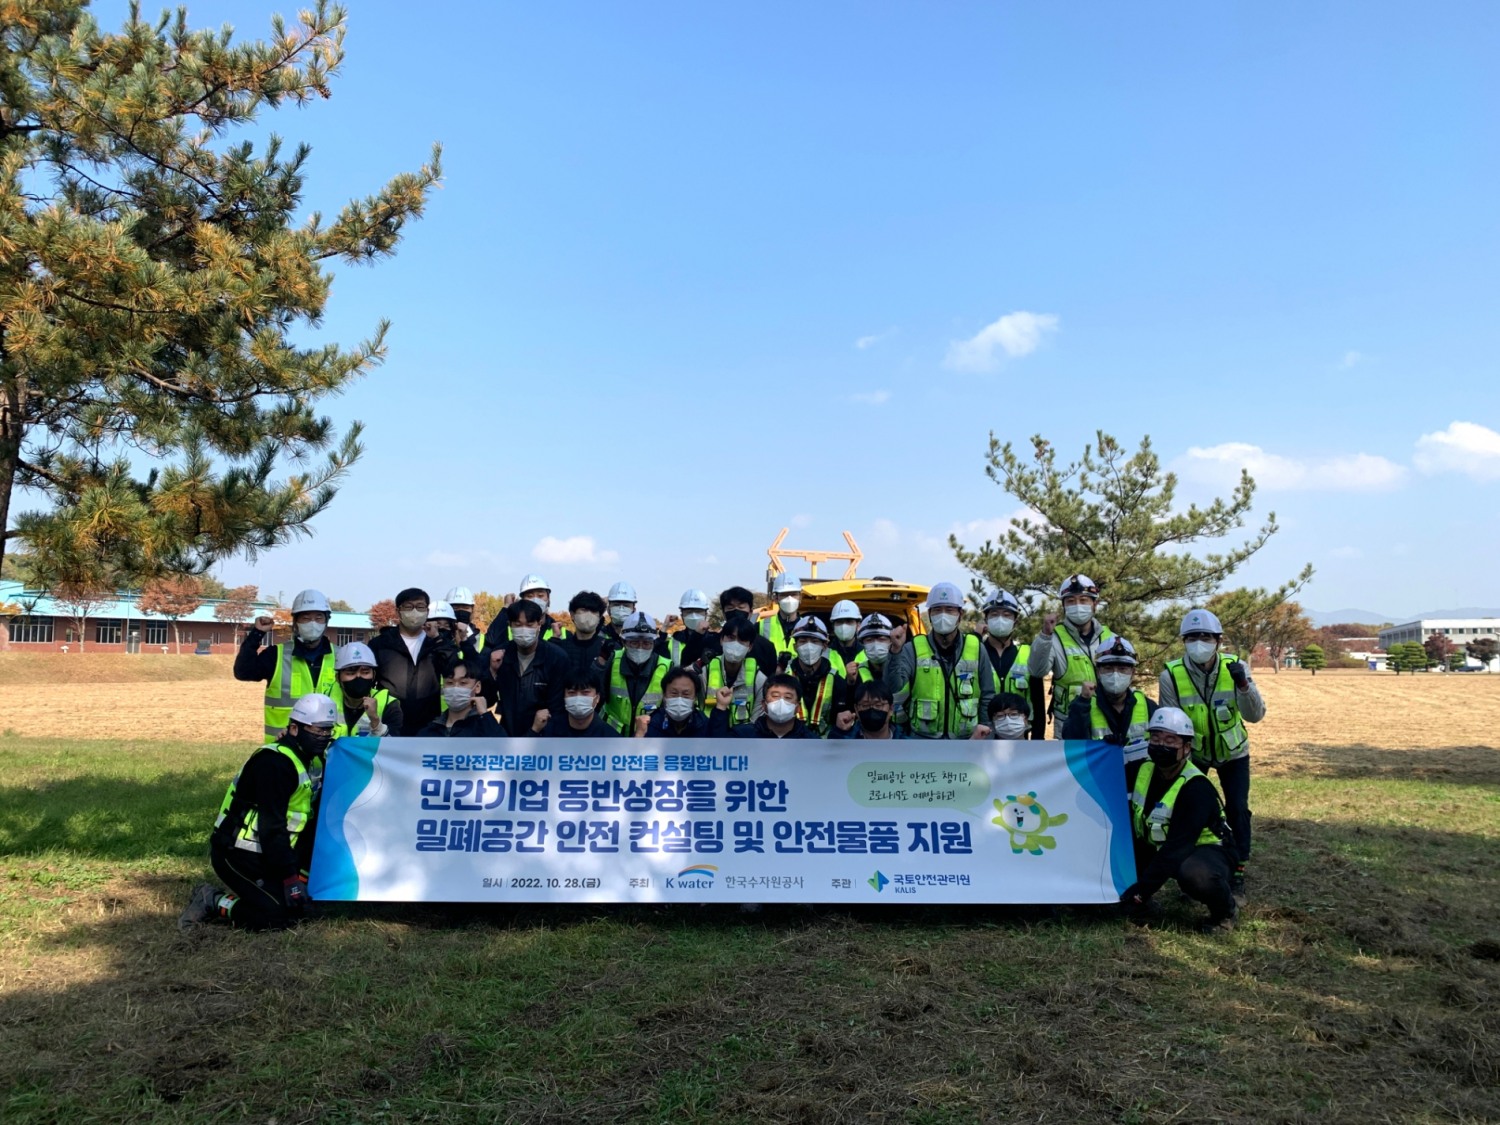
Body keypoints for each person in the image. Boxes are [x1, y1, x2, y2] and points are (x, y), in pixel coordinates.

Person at [178, 693, 336, 932]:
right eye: (317, 730)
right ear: (294, 729)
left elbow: (305, 823)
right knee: (276, 918)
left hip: (269, 853)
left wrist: (297, 876)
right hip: (236, 853)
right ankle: (211, 899)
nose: (323, 737)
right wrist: (290, 880)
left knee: (299, 911)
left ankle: (274, 890)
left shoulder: (313, 761)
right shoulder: (274, 764)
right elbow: (272, 827)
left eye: (328, 731)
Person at [1158, 607, 1265, 905]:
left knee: (1238, 810)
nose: (1198, 643)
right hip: (1196, 755)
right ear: (1183, 641)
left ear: (1218, 640)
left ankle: (1238, 871)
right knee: (1191, 812)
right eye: (1191, 637)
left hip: (1234, 753)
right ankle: (1190, 872)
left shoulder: (1236, 667)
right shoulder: (1171, 675)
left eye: (1205, 636)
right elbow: (1171, 720)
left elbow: (1255, 715)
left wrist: (1243, 686)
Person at [1119, 707, 1238, 934]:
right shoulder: (1142, 769)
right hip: (1157, 843)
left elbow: (1176, 849)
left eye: (1170, 740)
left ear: (1186, 747)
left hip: (1206, 850)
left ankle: (1226, 911)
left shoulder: (1196, 789)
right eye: (1155, 738)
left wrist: (1140, 893)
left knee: (1194, 874)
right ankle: (1143, 905)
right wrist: (1107, 747)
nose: (1161, 745)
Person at [890, 582, 993, 739]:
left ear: (961, 614)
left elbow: (987, 695)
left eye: (949, 609)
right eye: (937, 610)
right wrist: (895, 651)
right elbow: (894, 687)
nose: (943, 614)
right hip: (922, 742)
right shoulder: (913, 648)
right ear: (930, 613)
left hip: (966, 741)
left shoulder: (976, 648)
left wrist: (985, 731)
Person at [234, 588, 336, 740]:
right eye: (306, 618)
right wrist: (257, 634)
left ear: (326, 621)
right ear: (295, 622)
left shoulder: (341, 657)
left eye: (319, 618)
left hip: (330, 750)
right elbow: (243, 672)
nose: (313, 624)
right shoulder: (276, 655)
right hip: (284, 751)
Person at [1028, 574, 1115, 737]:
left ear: (1094, 604)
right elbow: (1037, 671)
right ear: (1064, 606)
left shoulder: (1109, 637)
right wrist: (1045, 634)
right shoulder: (1053, 637)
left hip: (1104, 725)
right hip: (1068, 727)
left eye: (1083, 600)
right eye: (1071, 601)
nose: (1077, 605)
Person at [368, 587, 457, 735]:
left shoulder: (436, 643)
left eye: (420, 607)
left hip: (429, 724)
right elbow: (369, 681)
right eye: (408, 607)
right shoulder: (380, 644)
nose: (415, 611)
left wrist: (438, 640)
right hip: (391, 722)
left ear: (427, 612)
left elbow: (453, 669)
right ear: (398, 612)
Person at [1061, 636, 1157, 763]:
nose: (1115, 674)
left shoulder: (1147, 705)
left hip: (1139, 779)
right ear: (1098, 672)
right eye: (1108, 668)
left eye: (1122, 669)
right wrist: (1082, 702)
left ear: (1133, 672)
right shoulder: (1083, 705)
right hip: (1099, 777)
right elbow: (1072, 746)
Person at [487, 599, 569, 736]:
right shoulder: (500, 656)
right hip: (508, 737)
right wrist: (492, 672)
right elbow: (488, 698)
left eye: (530, 624)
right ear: (510, 625)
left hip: (545, 739)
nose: (524, 630)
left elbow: (558, 709)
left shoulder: (556, 658)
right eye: (518, 625)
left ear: (539, 624)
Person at [979, 588, 1045, 739]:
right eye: (994, 614)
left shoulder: (1028, 654)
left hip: (1020, 737)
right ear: (986, 619)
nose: (1000, 619)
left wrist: (1038, 740)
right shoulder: (976, 653)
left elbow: (1038, 704)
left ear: (1016, 620)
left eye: (1006, 615)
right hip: (984, 736)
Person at [602, 611, 672, 734]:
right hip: (612, 739)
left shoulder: (666, 667)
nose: (640, 648)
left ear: (653, 643)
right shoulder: (613, 660)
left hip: (648, 740)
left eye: (646, 643)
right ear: (623, 642)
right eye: (634, 642)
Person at [787, 616, 852, 736]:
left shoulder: (837, 682)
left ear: (825, 646)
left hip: (825, 747)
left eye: (815, 641)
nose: (809, 646)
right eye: (803, 641)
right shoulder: (785, 678)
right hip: (790, 743)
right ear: (795, 647)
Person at [701, 616, 766, 728]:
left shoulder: (759, 679)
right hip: (709, 739)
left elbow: (757, 722)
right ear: (722, 640)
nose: (736, 644)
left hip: (744, 742)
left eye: (742, 640)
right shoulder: (704, 672)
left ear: (750, 647)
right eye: (731, 638)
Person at [328, 642, 403, 737]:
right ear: (338, 678)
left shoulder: (389, 705)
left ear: (373, 675)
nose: (358, 676)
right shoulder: (326, 700)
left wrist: (376, 722)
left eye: (365, 672)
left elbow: (394, 748)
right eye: (351, 673)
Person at [635, 667, 732, 737]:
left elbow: (718, 750)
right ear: (664, 695)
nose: (679, 699)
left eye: (686, 694)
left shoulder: (703, 724)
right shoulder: (651, 724)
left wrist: (721, 706)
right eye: (674, 693)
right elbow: (635, 758)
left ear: (694, 698)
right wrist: (639, 735)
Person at [419, 660, 506, 737]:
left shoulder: (485, 727)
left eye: (463, 683)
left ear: (477, 687)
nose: (455, 688)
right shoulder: (429, 732)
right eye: (449, 683)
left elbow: (502, 749)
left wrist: (485, 715)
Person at [485, 574, 570, 649]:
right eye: (530, 596)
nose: (535, 599)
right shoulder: (510, 628)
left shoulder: (562, 633)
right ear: (522, 600)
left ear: (548, 599)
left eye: (540, 596)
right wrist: (507, 608)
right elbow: (491, 641)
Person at [727, 672, 821, 739]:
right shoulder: (742, 736)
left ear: (797, 707)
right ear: (764, 705)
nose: (781, 701)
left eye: (788, 697)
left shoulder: (811, 741)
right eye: (775, 696)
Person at [718, 585, 780, 673]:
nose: (736, 611)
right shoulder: (711, 643)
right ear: (724, 613)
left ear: (750, 612)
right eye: (730, 608)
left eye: (741, 607)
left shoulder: (765, 647)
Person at [538, 672, 617, 737]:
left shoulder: (610, 737)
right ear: (564, 697)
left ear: (597, 698)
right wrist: (534, 730)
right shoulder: (548, 730)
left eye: (585, 693)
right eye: (572, 693)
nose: (578, 698)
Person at [555, 590, 614, 677]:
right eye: (584, 610)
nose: (589, 615)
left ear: (599, 618)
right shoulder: (561, 648)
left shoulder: (609, 649)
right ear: (572, 614)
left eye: (594, 611)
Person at [832, 678, 904, 740]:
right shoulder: (844, 740)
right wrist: (839, 731)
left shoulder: (907, 744)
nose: (872, 709)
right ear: (856, 709)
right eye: (865, 705)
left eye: (878, 705)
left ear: (891, 709)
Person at [661, 588, 714, 667]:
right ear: (682, 614)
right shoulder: (674, 641)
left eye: (698, 611)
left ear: (706, 614)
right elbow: (653, 653)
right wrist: (664, 628)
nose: (693, 616)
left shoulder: (714, 640)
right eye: (689, 611)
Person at [759, 573, 803, 659]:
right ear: (776, 598)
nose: (789, 599)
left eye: (794, 594)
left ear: (800, 597)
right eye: (784, 594)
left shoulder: (808, 627)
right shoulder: (761, 627)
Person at [445, 586, 484, 657]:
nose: (460, 612)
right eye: (455, 608)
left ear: (472, 610)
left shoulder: (481, 640)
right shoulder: (440, 637)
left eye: (465, 608)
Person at [828, 599, 863, 669]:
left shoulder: (868, 654)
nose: (844, 626)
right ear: (833, 626)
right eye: (839, 622)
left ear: (858, 625)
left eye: (849, 621)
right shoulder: (824, 655)